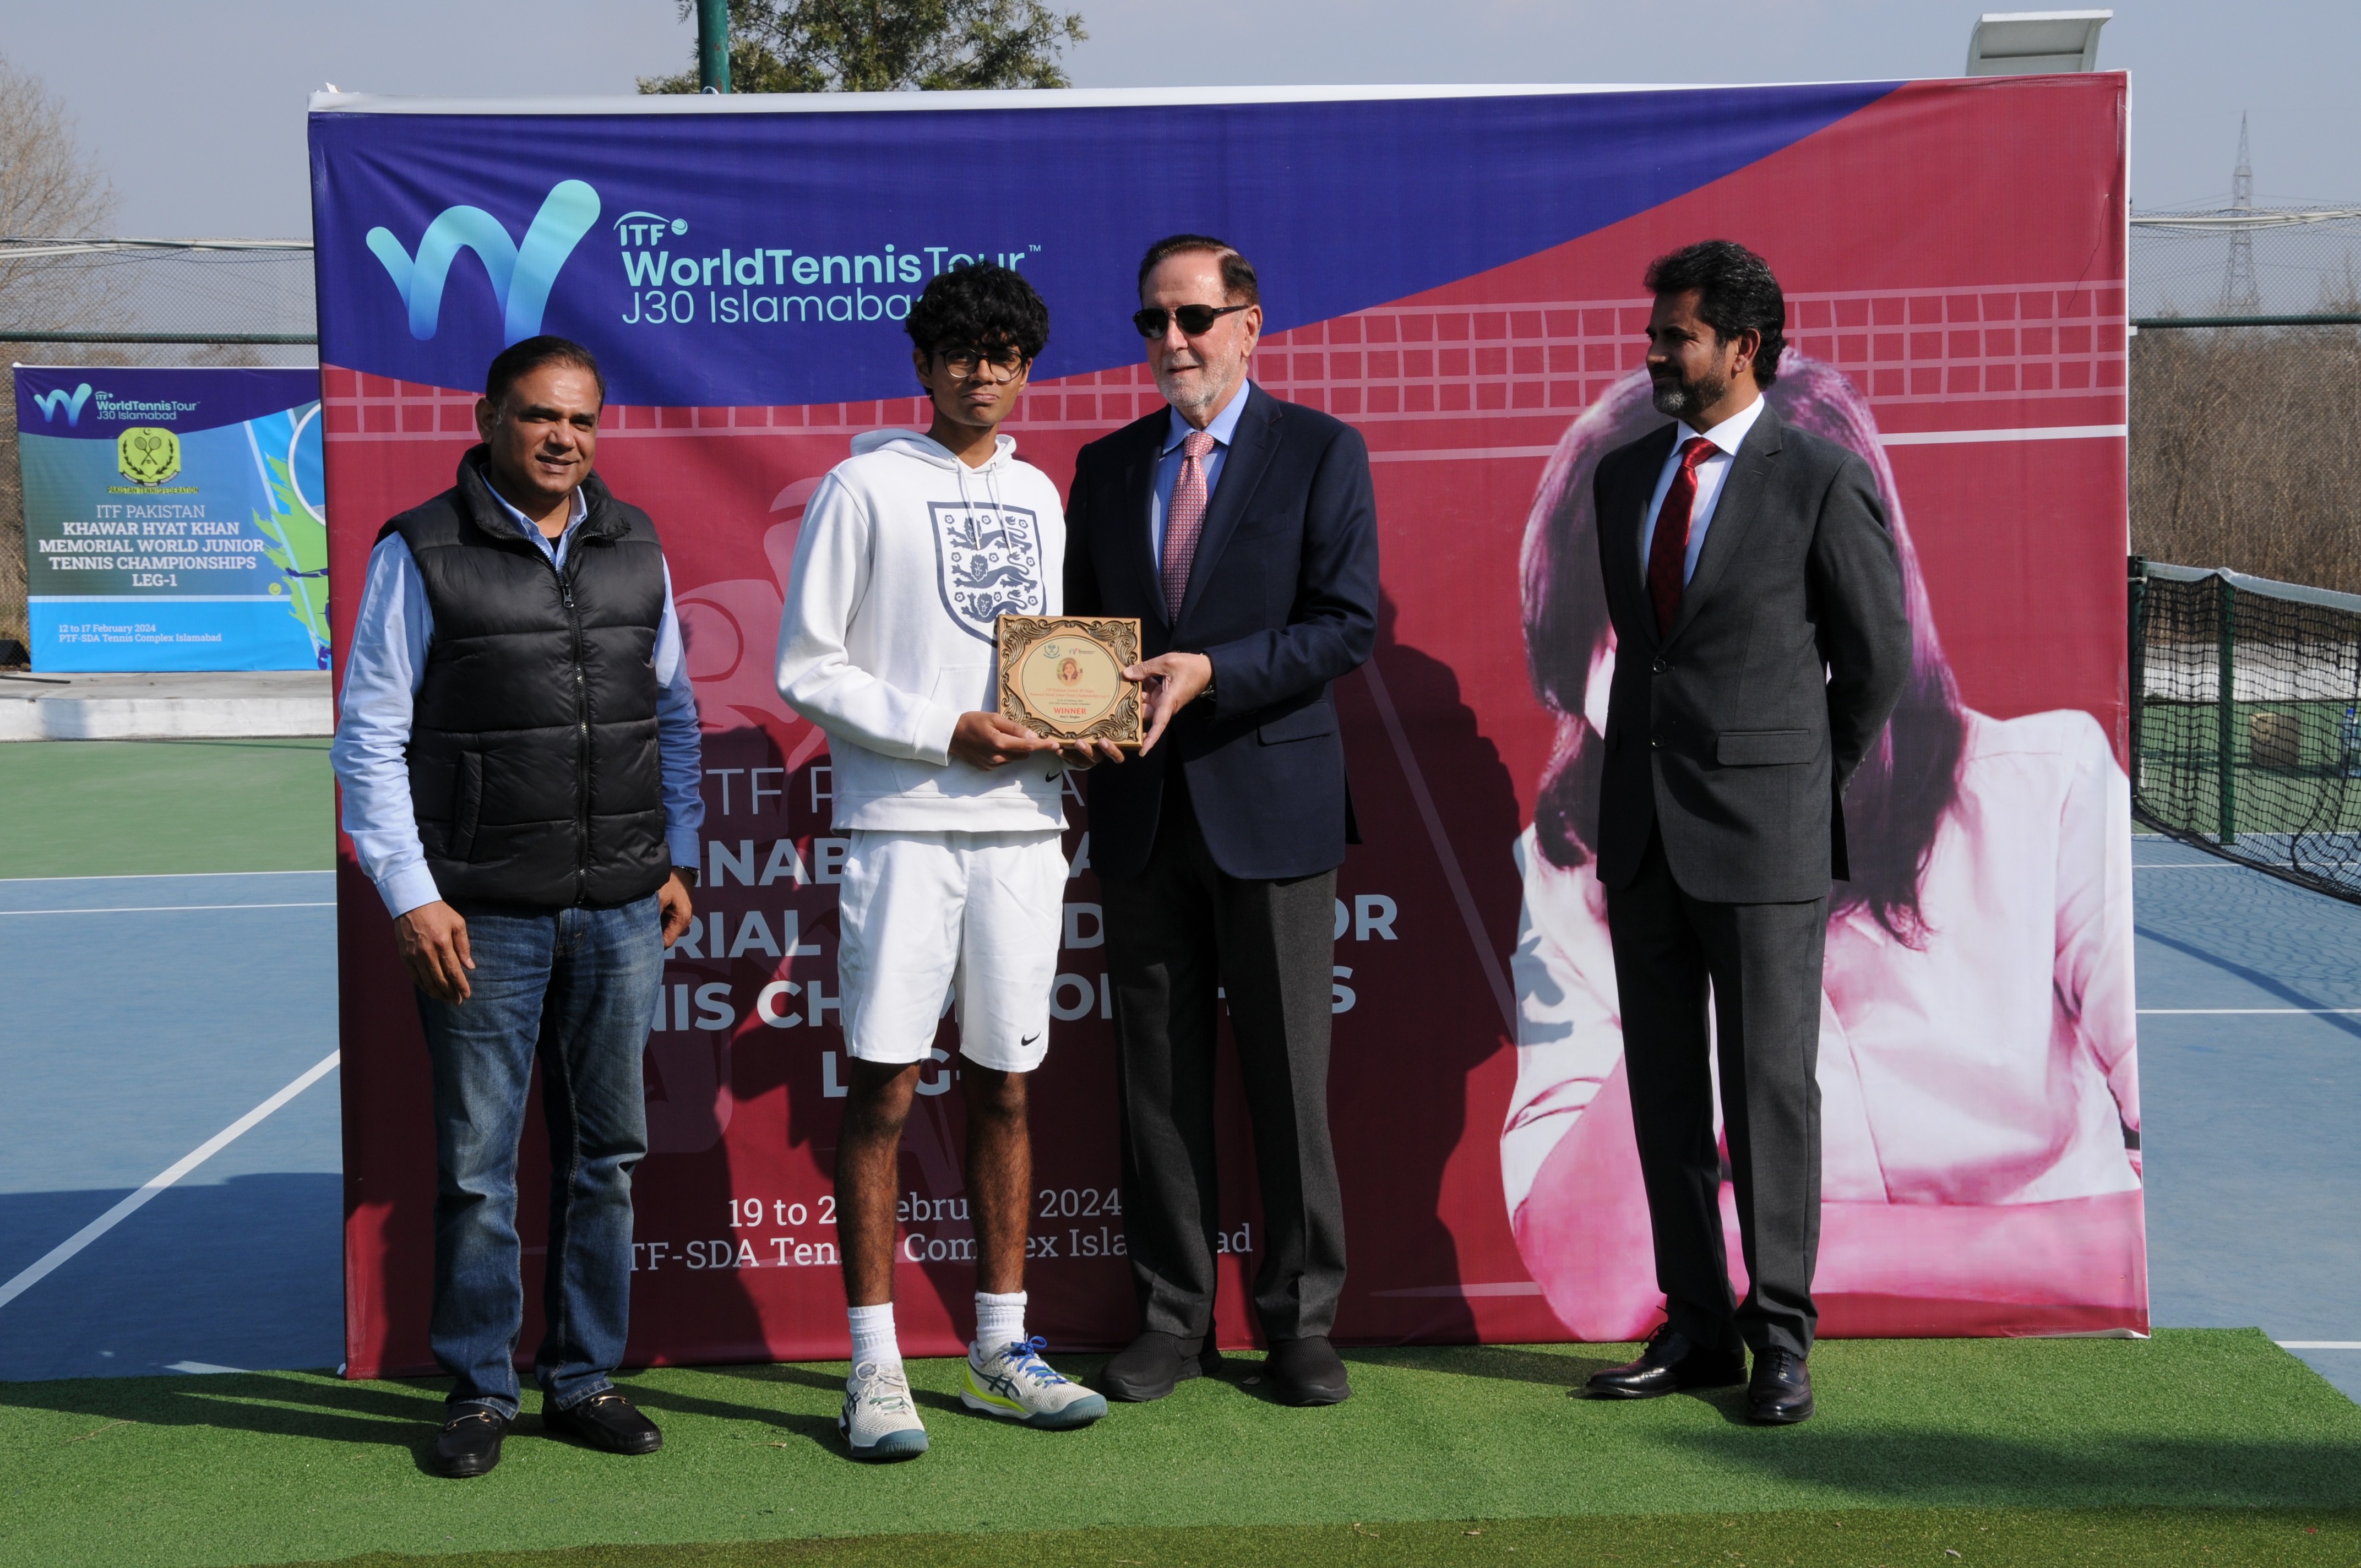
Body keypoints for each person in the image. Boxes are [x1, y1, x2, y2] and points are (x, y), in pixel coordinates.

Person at [1505, 353, 2144, 1355]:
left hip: (2051, 1355)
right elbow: (1591, 1272)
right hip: (1668, 860)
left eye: (1729, 627)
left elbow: (2118, 1235)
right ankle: (1734, 1337)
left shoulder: (2046, 786)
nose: (1661, 669)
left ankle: (1779, 1330)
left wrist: (1789, 791)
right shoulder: (1570, 861)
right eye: (1618, 631)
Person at [331, 336, 703, 1479]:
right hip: (479, 915)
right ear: (490, 416)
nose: (563, 438)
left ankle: (583, 1376)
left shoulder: (634, 543)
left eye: (582, 420)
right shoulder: (423, 550)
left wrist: (672, 852)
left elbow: (673, 715)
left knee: (609, 1155)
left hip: (618, 911)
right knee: (478, 1167)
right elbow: (369, 739)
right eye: (541, 415)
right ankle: (481, 1388)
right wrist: (412, 892)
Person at [1571, 241, 1911, 1425]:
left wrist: (1798, 772)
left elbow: (1872, 661)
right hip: (1643, 829)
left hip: (1763, 833)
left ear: (1741, 347)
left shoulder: (1816, 477)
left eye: (1674, 336)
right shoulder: (1621, 476)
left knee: (1769, 1089)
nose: (1653, 352)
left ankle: (1780, 1335)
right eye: (1654, 332)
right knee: (1666, 1095)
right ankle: (1697, 1323)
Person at [775, 263, 1107, 1461]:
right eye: (960, 349)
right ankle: (871, 1364)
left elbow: (1058, 666)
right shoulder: (861, 486)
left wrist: (1085, 725)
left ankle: (998, 1345)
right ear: (921, 364)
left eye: (1005, 350)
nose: (982, 369)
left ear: (1027, 368)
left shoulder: (1043, 494)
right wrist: (943, 729)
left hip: (1023, 828)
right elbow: (805, 665)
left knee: (1007, 1084)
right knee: (883, 1084)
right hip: (904, 823)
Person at [1064, 235, 1381, 1407]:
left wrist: (1213, 671)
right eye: (1151, 321)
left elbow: (1345, 625)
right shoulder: (1101, 467)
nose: (1171, 344)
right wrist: (1067, 713)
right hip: (1142, 814)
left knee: (1288, 1078)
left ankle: (1299, 1320)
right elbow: (1077, 638)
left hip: (1273, 804)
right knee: (1153, 1077)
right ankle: (1171, 1317)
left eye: (1193, 318)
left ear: (1250, 322)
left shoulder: (1318, 452)